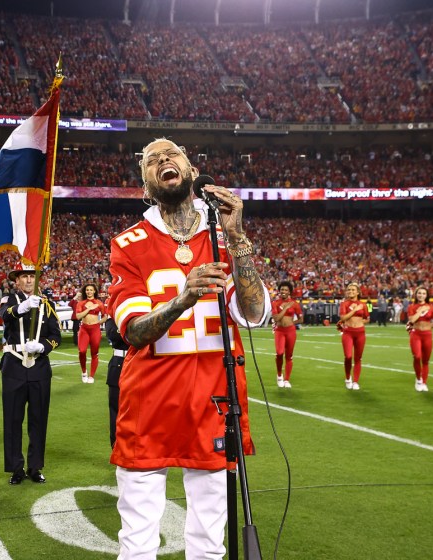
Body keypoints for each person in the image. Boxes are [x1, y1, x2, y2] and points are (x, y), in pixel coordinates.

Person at [107, 138, 269, 558]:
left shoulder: (222, 237)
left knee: (208, 541)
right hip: (149, 401)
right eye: (152, 160)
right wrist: (183, 298)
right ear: (146, 187)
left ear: (193, 172)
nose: (163, 159)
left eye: (172, 153)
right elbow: (134, 331)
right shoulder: (128, 243)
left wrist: (238, 238)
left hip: (214, 402)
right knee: (138, 541)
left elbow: (253, 314)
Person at [0, 263, 61, 485]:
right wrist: (24, 307)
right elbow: (5, 316)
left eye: (32, 276)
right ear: (16, 281)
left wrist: (43, 346)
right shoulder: (9, 300)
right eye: (24, 276)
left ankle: (35, 466)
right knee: (13, 419)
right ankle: (16, 468)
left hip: (39, 366)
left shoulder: (47, 304)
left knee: (38, 419)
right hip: (14, 365)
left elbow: (56, 335)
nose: (28, 280)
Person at [405, 286, 433, 392]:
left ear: (427, 295)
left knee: (425, 360)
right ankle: (418, 379)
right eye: (419, 293)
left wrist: (427, 326)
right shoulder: (412, 307)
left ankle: (424, 382)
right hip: (415, 334)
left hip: (427, 335)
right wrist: (420, 311)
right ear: (416, 294)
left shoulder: (431, 307)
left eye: (424, 293)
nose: (421, 295)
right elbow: (412, 320)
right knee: (417, 356)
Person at [271, 281, 303, 389]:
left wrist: (292, 323)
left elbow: (301, 319)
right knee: (279, 353)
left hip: (290, 331)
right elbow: (276, 318)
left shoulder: (295, 304)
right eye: (282, 289)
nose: (283, 291)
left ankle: (287, 379)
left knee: (289, 356)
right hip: (279, 331)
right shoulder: (275, 303)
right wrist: (285, 308)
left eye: (286, 290)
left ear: (289, 292)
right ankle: (279, 375)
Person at [338, 282, 370, 390]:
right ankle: (348, 378)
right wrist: (355, 310)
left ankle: (356, 381)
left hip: (360, 333)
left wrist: (361, 322)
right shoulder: (344, 304)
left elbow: (367, 318)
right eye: (349, 290)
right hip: (348, 332)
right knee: (348, 356)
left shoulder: (363, 305)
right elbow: (343, 318)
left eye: (353, 290)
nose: (350, 291)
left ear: (358, 292)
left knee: (358, 358)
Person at [104, 312, 128, 448]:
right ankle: (116, 449)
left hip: (140, 362)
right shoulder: (113, 315)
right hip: (119, 363)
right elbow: (113, 334)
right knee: (116, 410)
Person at [76, 283, 107, 383]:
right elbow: (78, 316)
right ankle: (84, 372)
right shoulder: (81, 303)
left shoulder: (99, 303)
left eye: (91, 290)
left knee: (94, 353)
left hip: (95, 329)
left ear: (94, 291)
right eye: (87, 290)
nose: (89, 291)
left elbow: (105, 316)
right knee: (82, 351)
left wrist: (98, 323)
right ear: (85, 291)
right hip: (84, 329)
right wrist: (89, 309)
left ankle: (91, 376)